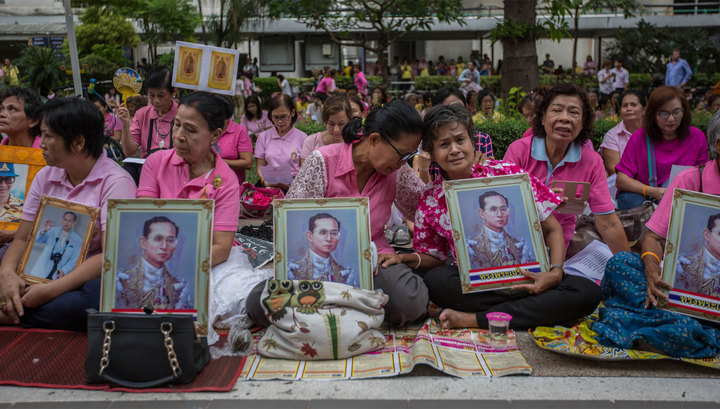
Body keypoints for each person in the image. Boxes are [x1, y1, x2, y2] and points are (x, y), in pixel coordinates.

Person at [414, 103, 600, 329]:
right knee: (436, 282)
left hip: (530, 278)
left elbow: (553, 229)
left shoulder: (508, 174)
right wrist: (406, 259)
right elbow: (435, 258)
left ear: (473, 142)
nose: (454, 150)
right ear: (432, 154)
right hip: (478, 286)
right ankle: (535, 310)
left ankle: (475, 319)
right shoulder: (431, 200)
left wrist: (555, 273)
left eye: (460, 140)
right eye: (444, 144)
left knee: (588, 292)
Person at [247, 101, 428, 327]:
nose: (403, 163)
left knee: (410, 301)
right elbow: (289, 224)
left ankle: (320, 316)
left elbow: (426, 211)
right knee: (258, 303)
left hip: (373, 261)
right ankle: (357, 312)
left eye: (408, 157)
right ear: (374, 140)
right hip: (316, 264)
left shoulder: (397, 171)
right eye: (402, 155)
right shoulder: (322, 161)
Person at [137, 91, 269, 342]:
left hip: (206, 261)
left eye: (190, 130)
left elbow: (220, 249)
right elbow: (143, 223)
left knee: (235, 298)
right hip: (156, 259)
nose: (179, 136)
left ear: (216, 135)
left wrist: (181, 267)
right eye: (177, 125)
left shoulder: (225, 179)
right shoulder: (155, 163)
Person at [0, 97, 137, 330]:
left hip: (82, 277)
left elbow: (110, 255)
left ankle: (14, 311)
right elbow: (23, 238)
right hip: (36, 268)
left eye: (48, 136)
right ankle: (20, 306)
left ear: (77, 143)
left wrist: (51, 290)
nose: (41, 143)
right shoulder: (46, 175)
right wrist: (7, 274)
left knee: (96, 297)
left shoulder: (116, 183)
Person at [592, 111, 720, 358]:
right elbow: (653, 238)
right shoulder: (692, 180)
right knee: (621, 263)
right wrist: (652, 272)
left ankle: (637, 322)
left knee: (685, 329)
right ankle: (678, 327)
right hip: (677, 293)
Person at [504, 84, 630, 256]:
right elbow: (500, 206)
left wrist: (628, 263)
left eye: (574, 112)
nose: (564, 118)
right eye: (556, 110)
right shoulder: (519, 151)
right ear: (542, 117)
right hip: (514, 246)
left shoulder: (592, 161)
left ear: (583, 122)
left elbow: (608, 223)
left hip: (560, 251)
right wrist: (539, 199)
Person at [615, 86, 708, 210]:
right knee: (630, 201)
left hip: (680, 200)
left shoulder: (697, 137)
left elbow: (704, 177)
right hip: (644, 198)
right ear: (653, 114)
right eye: (663, 113)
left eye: (676, 112)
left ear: (684, 111)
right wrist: (651, 191)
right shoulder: (639, 137)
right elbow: (621, 180)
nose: (671, 119)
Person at [115, 216, 192, 310]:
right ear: (143, 243)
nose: (164, 246)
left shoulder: (180, 286)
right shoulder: (121, 280)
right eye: (158, 239)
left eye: (170, 240)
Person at [116, 67, 178, 158]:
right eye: (151, 95)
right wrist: (125, 124)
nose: (156, 101)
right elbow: (129, 152)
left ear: (173, 92)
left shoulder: (182, 115)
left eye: (161, 95)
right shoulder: (142, 115)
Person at [467, 191, 533, 269]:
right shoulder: (471, 246)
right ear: (482, 213)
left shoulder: (520, 245)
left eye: (503, 209)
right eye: (493, 209)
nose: (499, 214)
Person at [255, 94, 309, 190]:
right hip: (269, 182)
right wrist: (264, 181)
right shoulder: (263, 137)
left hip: (294, 184)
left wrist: (293, 185)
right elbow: (260, 165)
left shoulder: (303, 138)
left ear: (292, 113)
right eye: (275, 117)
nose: (280, 121)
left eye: (284, 116)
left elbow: (305, 169)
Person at [287, 213, 354, 285]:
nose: (329, 239)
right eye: (322, 232)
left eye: (334, 233)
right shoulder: (292, 270)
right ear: (310, 236)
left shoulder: (346, 273)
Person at [600, 91, 645, 176]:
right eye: (625, 106)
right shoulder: (612, 135)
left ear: (644, 110)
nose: (629, 108)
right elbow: (614, 171)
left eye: (633, 105)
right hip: (622, 186)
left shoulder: (654, 132)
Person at [30, 212, 83, 280]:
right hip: (40, 271)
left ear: (74, 223)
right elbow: (37, 239)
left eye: (70, 221)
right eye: (65, 220)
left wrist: (64, 270)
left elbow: (75, 259)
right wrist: (43, 231)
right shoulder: (52, 230)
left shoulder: (78, 240)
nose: (66, 223)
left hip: (57, 276)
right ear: (62, 220)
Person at [300, 95, 351, 165]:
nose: (336, 130)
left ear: (349, 120)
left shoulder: (354, 143)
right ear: (325, 120)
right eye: (331, 124)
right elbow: (305, 173)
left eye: (341, 124)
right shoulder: (311, 142)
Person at [215, 95, 254, 184]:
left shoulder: (239, 131)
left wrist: (219, 162)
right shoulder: (206, 128)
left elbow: (247, 163)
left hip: (232, 184)